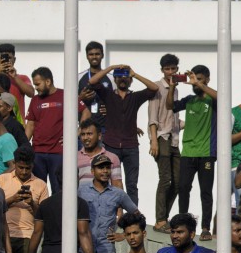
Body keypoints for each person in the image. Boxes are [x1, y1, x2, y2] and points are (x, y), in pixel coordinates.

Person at [90, 64, 159, 204]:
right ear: (114, 79)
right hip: (111, 144)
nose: (123, 79)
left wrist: (135, 74)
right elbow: (92, 81)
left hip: (130, 146)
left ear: (130, 80)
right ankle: (111, 212)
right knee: (108, 182)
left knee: (132, 184)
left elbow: (154, 88)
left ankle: (133, 217)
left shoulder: (135, 97)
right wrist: (111, 68)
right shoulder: (108, 94)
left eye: (126, 77)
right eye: (119, 77)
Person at [78, 153, 137, 253]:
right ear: (92, 171)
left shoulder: (118, 194)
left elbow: (137, 216)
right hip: (82, 249)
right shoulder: (81, 190)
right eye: (100, 168)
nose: (105, 171)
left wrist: (124, 235)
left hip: (106, 250)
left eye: (107, 168)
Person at [167, 67, 218, 240]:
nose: (196, 82)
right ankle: (182, 224)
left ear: (207, 80)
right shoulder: (189, 100)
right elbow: (170, 106)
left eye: (200, 79)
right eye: (194, 79)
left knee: (206, 191)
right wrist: (172, 86)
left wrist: (199, 84)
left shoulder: (212, 99)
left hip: (206, 153)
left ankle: (205, 228)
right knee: (183, 188)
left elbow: (223, 98)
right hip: (188, 152)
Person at [28, 66, 89, 191]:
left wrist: (76, 133)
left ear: (48, 81)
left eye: (38, 84)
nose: (36, 88)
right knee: (38, 190)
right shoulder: (35, 100)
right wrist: (23, 144)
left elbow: (86, 112)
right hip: (38, 152)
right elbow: (30, 124)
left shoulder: (66, 95)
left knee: (59, 190)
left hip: (59, 153)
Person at [149, 53, 182, 232]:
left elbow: (174, 118)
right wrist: (153, 141)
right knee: (165, 179)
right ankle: (160, 219)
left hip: (174, 138)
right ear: (162, 70)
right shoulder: (157, 88)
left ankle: (165, 217)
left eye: (173, 68)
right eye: (167, 69)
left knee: (178, 181)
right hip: (161, 137)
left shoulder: (175, 88)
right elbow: (153, 118)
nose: (170, 72)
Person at [0, 43, 36, 121]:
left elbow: (31, 93)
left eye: (9, 58)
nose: (6, 61)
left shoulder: (22, 78)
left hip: (17, 124)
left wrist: (15, 77)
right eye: (2, 58)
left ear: (14, 60)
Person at [77, 42, 114, 132]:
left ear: (102, 55)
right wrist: (80, 98)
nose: (94, 57)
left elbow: (118, 100)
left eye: (97, 54)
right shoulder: (78, 77)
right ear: (86, 56)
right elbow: (69, 103)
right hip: (85, 128)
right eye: (91, 54)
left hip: (106, 128)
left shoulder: (111, 78)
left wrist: (110, 108)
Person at [77, 119, 123, 188]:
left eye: (89, 134)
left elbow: (117, 185)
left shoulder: (112, 158)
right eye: (83, 134)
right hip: (81, 198)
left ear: (99, 136)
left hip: (105, 197)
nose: (86, 138)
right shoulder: (75, 158)